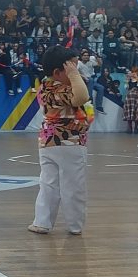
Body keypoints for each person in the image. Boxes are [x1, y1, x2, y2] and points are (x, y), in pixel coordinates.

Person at [28, 46, 92, 236]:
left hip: (48, 143)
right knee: (73, 185)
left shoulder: (46, 87)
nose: (77, 74)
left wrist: (72, 73)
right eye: (72, 70)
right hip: (69, 142)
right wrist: (74, 76)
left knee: (48, 183)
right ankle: (75, 225)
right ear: (57, 72)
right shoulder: (55, 88)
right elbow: (82, 96)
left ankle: (42, 221)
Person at [123, 66, 138, 134]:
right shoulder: (129, 80)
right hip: (129, 97)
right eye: (133, 72)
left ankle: (136, 127)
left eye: (135, 72)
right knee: (129, 111)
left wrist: (137, 79)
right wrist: (127, 80)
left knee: (137, 111)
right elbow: (126, 87)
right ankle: (129, 127)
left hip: (137, 97)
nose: (134, 73)